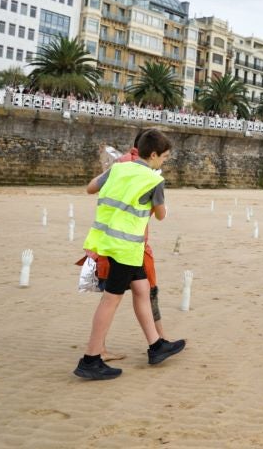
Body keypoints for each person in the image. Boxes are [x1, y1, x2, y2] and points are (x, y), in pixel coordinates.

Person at [73, 129, 185, 380]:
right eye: (165, 157)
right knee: (110, 300)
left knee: (142, 289)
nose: (165, 161)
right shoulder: (154, 180)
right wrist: (157, 199)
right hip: (123, 247)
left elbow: (91, 188)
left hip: (113, 243)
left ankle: (156, 345)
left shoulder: (118, 168)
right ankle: (90, 359)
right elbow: (161, 214)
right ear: (153, 155)